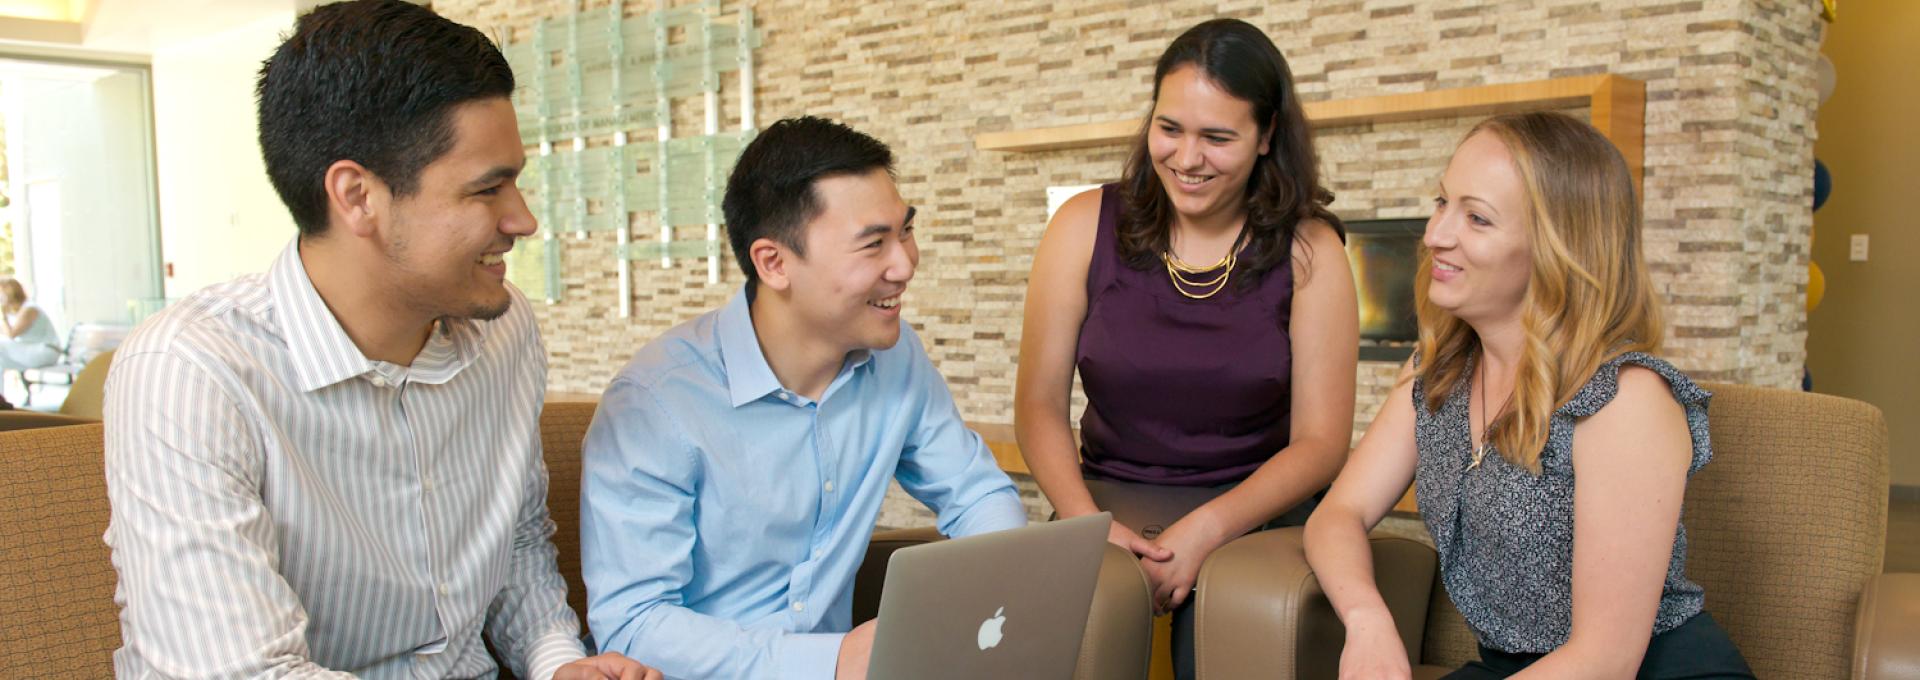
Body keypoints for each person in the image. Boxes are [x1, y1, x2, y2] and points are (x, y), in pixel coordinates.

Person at [102, 2, 659, 678]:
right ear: (358, 196)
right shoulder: (192, 371)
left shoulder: (504, 332)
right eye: (488, 189)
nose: (524, 218)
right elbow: (246, 673)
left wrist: (556, 662)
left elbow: (513, 545)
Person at [1302, 112, 1753, 679]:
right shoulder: (1436, 372)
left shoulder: (1625, 399)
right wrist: (1368, 621)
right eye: (1443, 203)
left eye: (1477, 218)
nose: (1435, 234)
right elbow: (1337, 515)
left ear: (1558, 246)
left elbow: (1606, 658)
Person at [579, 116, 1028, 680]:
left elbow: (975, 492)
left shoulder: (895, 357)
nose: (905, 264)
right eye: (873, 245)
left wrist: (1005, 599)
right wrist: (831, 661)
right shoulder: (656, 403)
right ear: (774, 262)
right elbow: (635, 624)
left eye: (905, 231)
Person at [1013, 17, 1357, 678]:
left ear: (1267, 137)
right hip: (1108, 495)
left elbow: (1321, 443)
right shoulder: (1082, 225)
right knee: (1089, 606)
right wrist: (1086, 525)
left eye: (1218, 137)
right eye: (1170, 128)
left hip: (1256, 504)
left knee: (1238, 611)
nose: (1187, 158)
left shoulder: (1313, 251)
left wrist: (1209, 528)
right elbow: (1037, 404)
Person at [0, 277, 61, 404]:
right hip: (31, 351)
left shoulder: (30, 309)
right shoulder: (16, 311)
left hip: (45, 351)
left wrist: (3, 315)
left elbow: (11, 334)